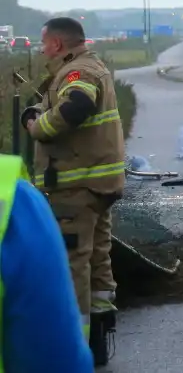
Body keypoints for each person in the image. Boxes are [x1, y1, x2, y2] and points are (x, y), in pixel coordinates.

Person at [23, 16, 125, 345]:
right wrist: (39, 107)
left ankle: (76, 343)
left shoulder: (77, 71)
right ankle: (99, 329)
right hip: (99, 184)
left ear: (57, 43)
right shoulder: (89, 66)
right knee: (97, 256)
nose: (41, 51)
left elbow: (77, 105)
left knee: (74, 263)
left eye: (43, 44)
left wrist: (38, 127)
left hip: (75, 186)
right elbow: (70, 101)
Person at [0, 153, 95, 371]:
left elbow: (68, 118)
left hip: (79, 186)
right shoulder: (14, 205)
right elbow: (56, 360)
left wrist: (38, 127)